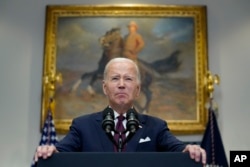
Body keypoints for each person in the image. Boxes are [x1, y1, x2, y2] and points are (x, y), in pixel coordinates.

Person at [34, 57, 206, 165]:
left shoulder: (156, 127)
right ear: (105, 88)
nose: (122, 84)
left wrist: (191, 149)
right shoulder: (82, 126)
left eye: (128, 79)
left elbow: (179, 150)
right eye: (115, 78)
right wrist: (50, 151)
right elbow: (60, 153)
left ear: (138, 89)